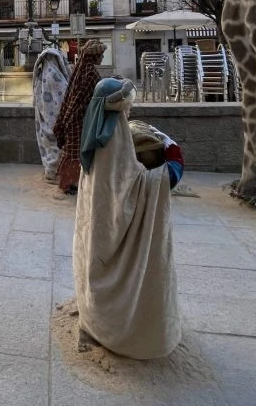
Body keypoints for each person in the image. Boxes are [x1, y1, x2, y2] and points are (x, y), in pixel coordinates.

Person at [73, 77, 181, 359]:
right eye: (126, 110)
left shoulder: (95, 140)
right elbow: (141, 188)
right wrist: (175, 156)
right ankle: (123, 334)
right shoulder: (115, 147)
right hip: (112, 238)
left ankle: (95, 320)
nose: (129, 114)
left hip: (97, 237)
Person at [53, 39, 106, 194]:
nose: (102, 58)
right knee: (74, 153)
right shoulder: (90, 72)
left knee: (70, 151)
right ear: (94, 56)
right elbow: (91, 94)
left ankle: (67, 181)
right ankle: (67, 184)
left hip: (72, 116)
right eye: (101, 55)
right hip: (79, 118)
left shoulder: (80, 68)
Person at [31, 46, 71, 183]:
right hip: (53, 117)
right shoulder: (54, 75)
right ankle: (55, 172)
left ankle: (50, 170)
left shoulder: (42, 73)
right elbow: (63, 95)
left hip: (44, 116)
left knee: (49, 145)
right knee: (56, 145)